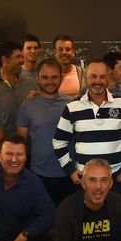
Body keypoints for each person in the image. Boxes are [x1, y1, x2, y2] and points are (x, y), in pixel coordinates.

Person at [53, 59, 121, 194]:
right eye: (93, 76)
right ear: (86, 77)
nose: (98, 81)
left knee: (117, 214)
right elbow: (58, 142)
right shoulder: (72, 107)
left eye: (102, 77)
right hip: (85, 180)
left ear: (108, 77)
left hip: (116, 178)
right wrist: (70, 171)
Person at [16, 58, 74, 205]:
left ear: (61, 77)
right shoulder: (28, 104)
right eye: (45, 77)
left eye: (54, 77)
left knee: (66, 221)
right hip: (39, 174)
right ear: (37, 78)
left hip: (69, 174)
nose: (50, 81)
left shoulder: (72, 104)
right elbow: (20, 142)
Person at [0, 41, 35, 136]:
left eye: (22, 57)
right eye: (18, 57)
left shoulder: (31, 84)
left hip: (30, 147)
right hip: (5, 148)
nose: (22, 61)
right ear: (5, 59)